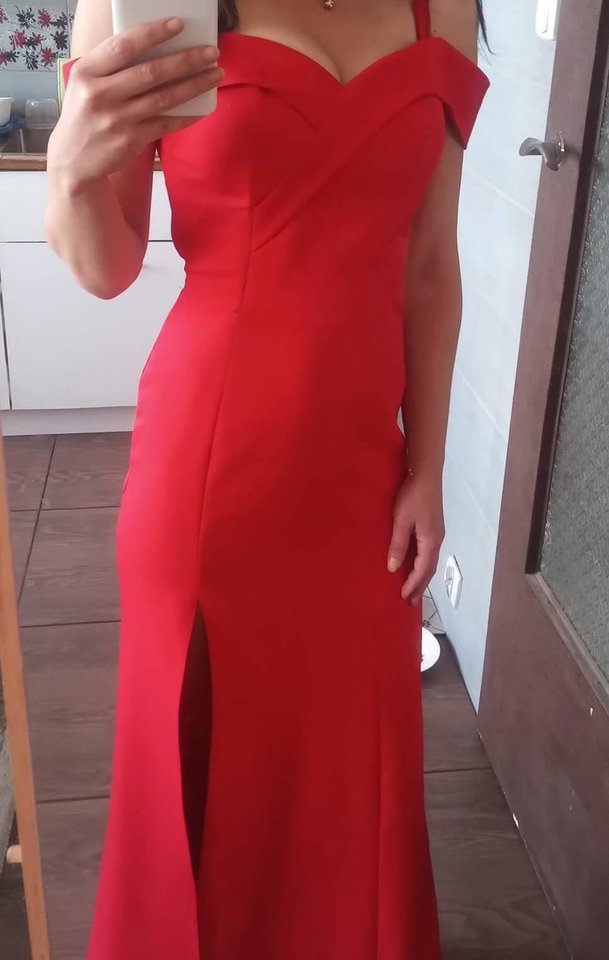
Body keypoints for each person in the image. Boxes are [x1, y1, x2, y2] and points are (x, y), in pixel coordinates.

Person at [45, 1, 489, 957]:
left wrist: (427, 467)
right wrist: (70, 167)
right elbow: (106, 267)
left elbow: (428, 266)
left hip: (361, 475)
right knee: (195, 776)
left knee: (349, 774)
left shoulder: (441, 9)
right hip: (208, 467)